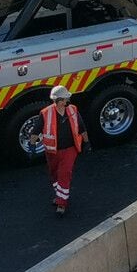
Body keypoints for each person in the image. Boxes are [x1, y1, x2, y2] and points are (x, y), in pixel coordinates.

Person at [28, 85, 92, 216]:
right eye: (65, 99)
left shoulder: (73, 110)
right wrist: (32, 146)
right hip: (53, 152)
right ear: (59, 101)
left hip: (70, 149)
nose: (68, 101)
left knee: (64, 173)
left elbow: (81, 127)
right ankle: (60, 195)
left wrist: (86, 142)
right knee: (55, 175)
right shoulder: (46, 113)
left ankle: (62, 203)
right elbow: (35, 131)